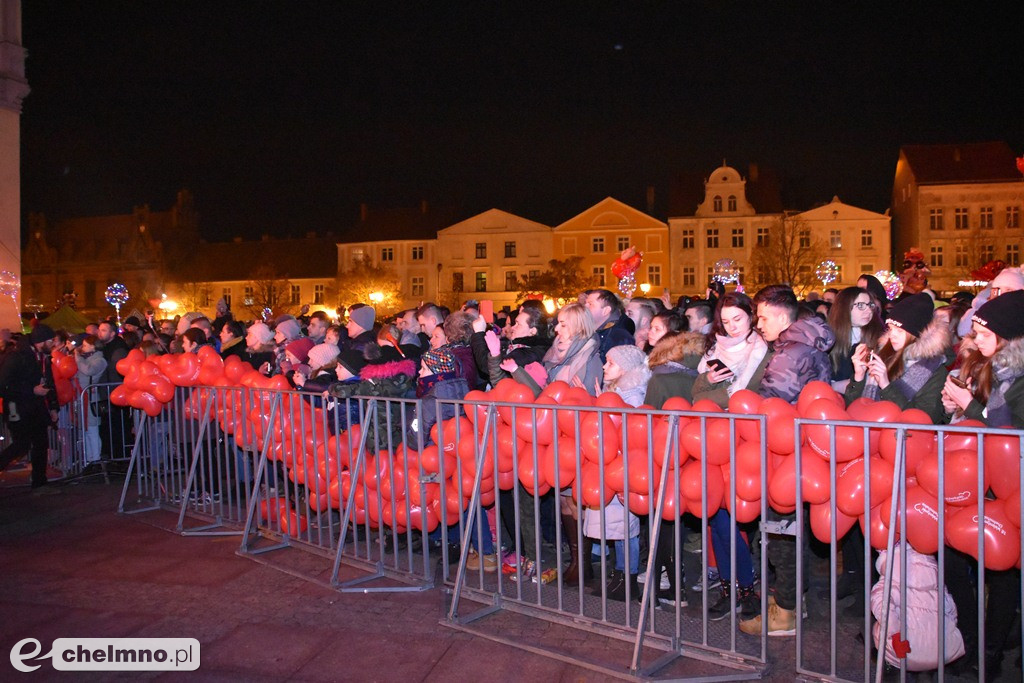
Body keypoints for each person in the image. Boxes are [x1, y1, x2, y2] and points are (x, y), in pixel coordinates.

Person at [739, 285, 834, 638]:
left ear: (781, 315)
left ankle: (787, 613)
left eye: (762, 316)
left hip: (786, 452)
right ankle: (792, 602)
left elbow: (774, 400)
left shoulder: (791, 352)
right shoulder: (800, 344)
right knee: (789, 534)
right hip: (797, 452)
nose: (758, 323)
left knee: (782, 534)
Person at [940, 289, 1024, 678]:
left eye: (984, 334)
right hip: (971, 475)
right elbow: (971, 414)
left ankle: (990, 653)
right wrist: (953, 404)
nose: (975, 340)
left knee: (1003, 570)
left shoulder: (1018, 376)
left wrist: (970, 406)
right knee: (954, 559)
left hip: (1007, 485)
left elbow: (1010, 432)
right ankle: (969, 640)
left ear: (1008, 337)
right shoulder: (981, 362)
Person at [585, 345, 650, 601]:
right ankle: (620, 576)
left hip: (623, 469)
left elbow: (628, 435)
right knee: (618, 528)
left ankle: (628, 579)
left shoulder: (632, 396)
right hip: (613, 467)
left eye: (610, 363)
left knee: (626, 528)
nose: (604, 366)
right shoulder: (619, 392)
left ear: (624, 368)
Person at [846, 292, 950, 424]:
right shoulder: (881, 354)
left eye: (899, 331)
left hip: (902, 441)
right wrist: (859, 377)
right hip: (866, 437)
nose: (892, 335)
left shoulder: (934, 369)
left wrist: (885, 385)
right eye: (890, 329)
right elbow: (853, 408)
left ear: (918, 334)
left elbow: (925, 420)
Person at [0, 326, 59, 492]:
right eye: (50, 341)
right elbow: (3, 385)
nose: (53, 344)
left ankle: (40, 482)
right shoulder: (16, 357)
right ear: (41, 342)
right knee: (21, 444)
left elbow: (49, 381)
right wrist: (30, 390)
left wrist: (53, 406)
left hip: (36, 406)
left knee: (41, 442)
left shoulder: (43, 357)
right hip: (17, 407)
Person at [504, 303, 602, 397]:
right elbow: (541, 393)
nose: (556, 328)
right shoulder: (553, 352)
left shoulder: (590, 359)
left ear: (579, 328)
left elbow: (589, 400)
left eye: (563, 325)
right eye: (558, 323)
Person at [691, 292, 770, 405]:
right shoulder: (716, 347)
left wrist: (701, 398)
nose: (732, 327)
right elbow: (695, 392)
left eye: (737, 319)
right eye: (725, 322)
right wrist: (708, 379)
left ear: (751, 315)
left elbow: (747, 392)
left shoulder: (761, 348)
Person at [827, 287, 886, 393]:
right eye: (860, 305)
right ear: (844, 308)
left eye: (870, 305)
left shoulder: (879, 337)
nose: (868, 310)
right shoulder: (827, 339)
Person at [73, 334, 108, 468]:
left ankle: (95, 458)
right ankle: (89, 458)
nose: (83, 348)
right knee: (86, 429)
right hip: (83, 397)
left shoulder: (99, 360)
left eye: (86, 345)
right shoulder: (87, 359)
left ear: (93, 346)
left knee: (92, 428)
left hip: (90, 398)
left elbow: (88, 371)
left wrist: (78, 358)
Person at [584, 289, 635, 364]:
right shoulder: (586, 331)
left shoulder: (620, 338)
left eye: (590, 304)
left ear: (606, 310)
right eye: (585, 303)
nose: (585, 307)